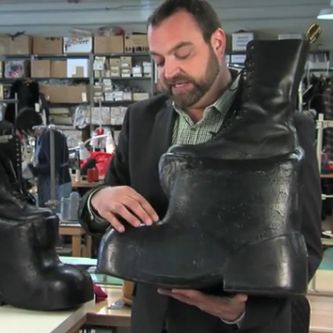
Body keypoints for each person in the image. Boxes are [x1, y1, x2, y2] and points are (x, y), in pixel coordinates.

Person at [79, 0, 322, 332]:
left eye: (183, 54)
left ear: (217, 43)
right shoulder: (141, 120)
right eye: (158, 60)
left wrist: (239, 309)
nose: (169, 72)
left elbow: (305, 245)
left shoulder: (285, 126)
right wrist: (98, 200)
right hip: (153, 321)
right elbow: (105, 202)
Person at [16, 108, 72, 212]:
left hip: (58, 185)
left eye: (24, 131)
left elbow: (53, 165)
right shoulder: (40, 137)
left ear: (29, 127)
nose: (26, 135)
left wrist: (33, 170)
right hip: (47, 185)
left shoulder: (50, 135)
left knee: (57, 219)